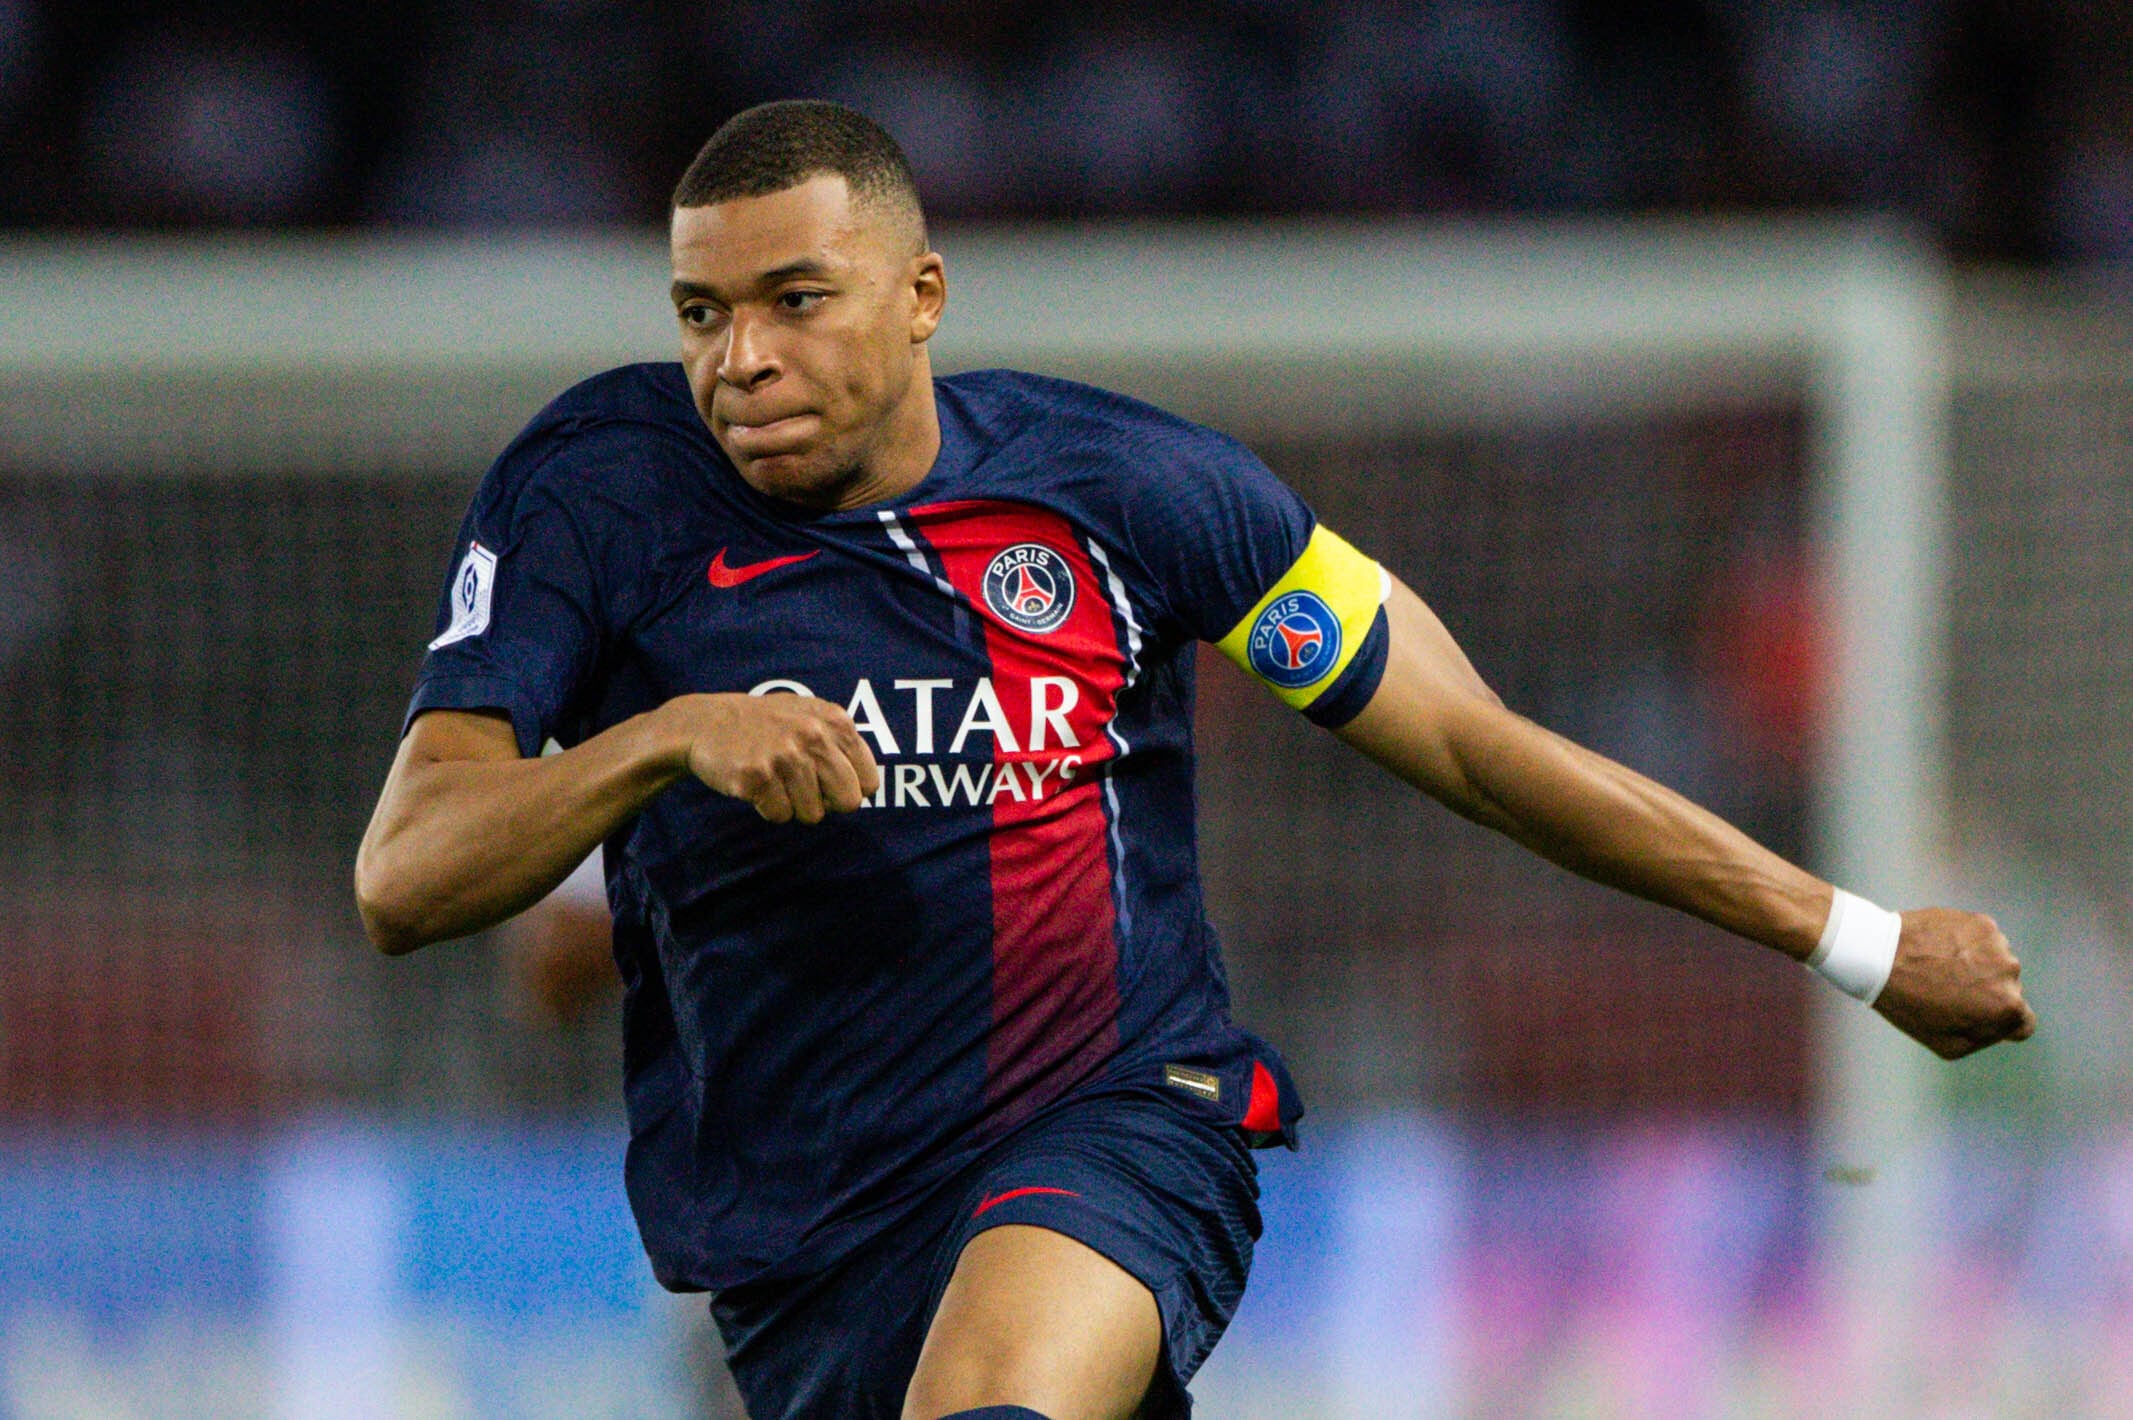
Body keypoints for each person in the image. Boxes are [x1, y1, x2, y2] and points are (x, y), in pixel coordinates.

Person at [354, 100, 2035, 1420]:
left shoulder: (1135, 495)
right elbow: (406, 878)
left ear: (922, 293)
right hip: (801, 1239)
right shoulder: (597, 493)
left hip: (1112, 1128)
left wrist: (1863, 941)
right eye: (701, 312)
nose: (741, 359)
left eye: (798, 301)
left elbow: (1472, 746)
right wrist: (658, 742)